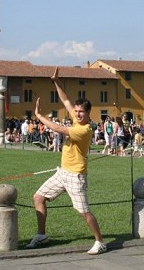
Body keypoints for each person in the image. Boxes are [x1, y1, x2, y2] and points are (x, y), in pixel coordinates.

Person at [26, 67, 106, 255]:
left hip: (75, 176)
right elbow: (66, 100)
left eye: (81, 112)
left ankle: (100, 241)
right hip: (62, 172)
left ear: (88, 114)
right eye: (76, 111)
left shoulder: (84, 130)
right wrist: (56, 81)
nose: (77, 114)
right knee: (38, 198)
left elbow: (56, 128)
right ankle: (41, 234)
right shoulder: (77, 120)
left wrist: (38, 116)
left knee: (84, 211)